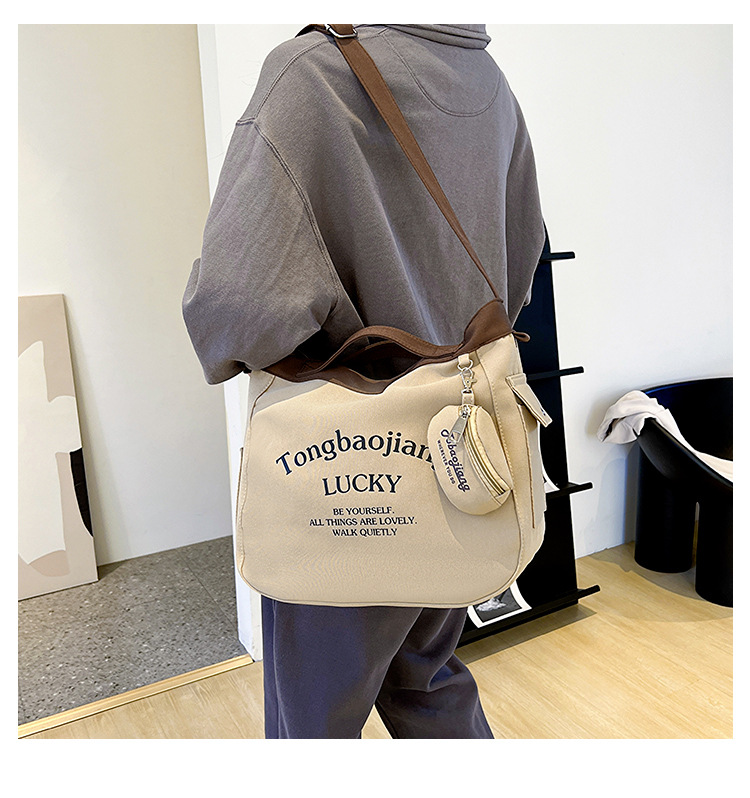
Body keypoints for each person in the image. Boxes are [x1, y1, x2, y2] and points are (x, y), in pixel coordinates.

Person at [182, 23, 545, 739]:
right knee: (428, 681)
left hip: (338, 473)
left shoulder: (310, 73)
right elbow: (520, 262)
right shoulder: (486, 81)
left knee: (313, 724)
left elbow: (238, 304)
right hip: (457, 456)